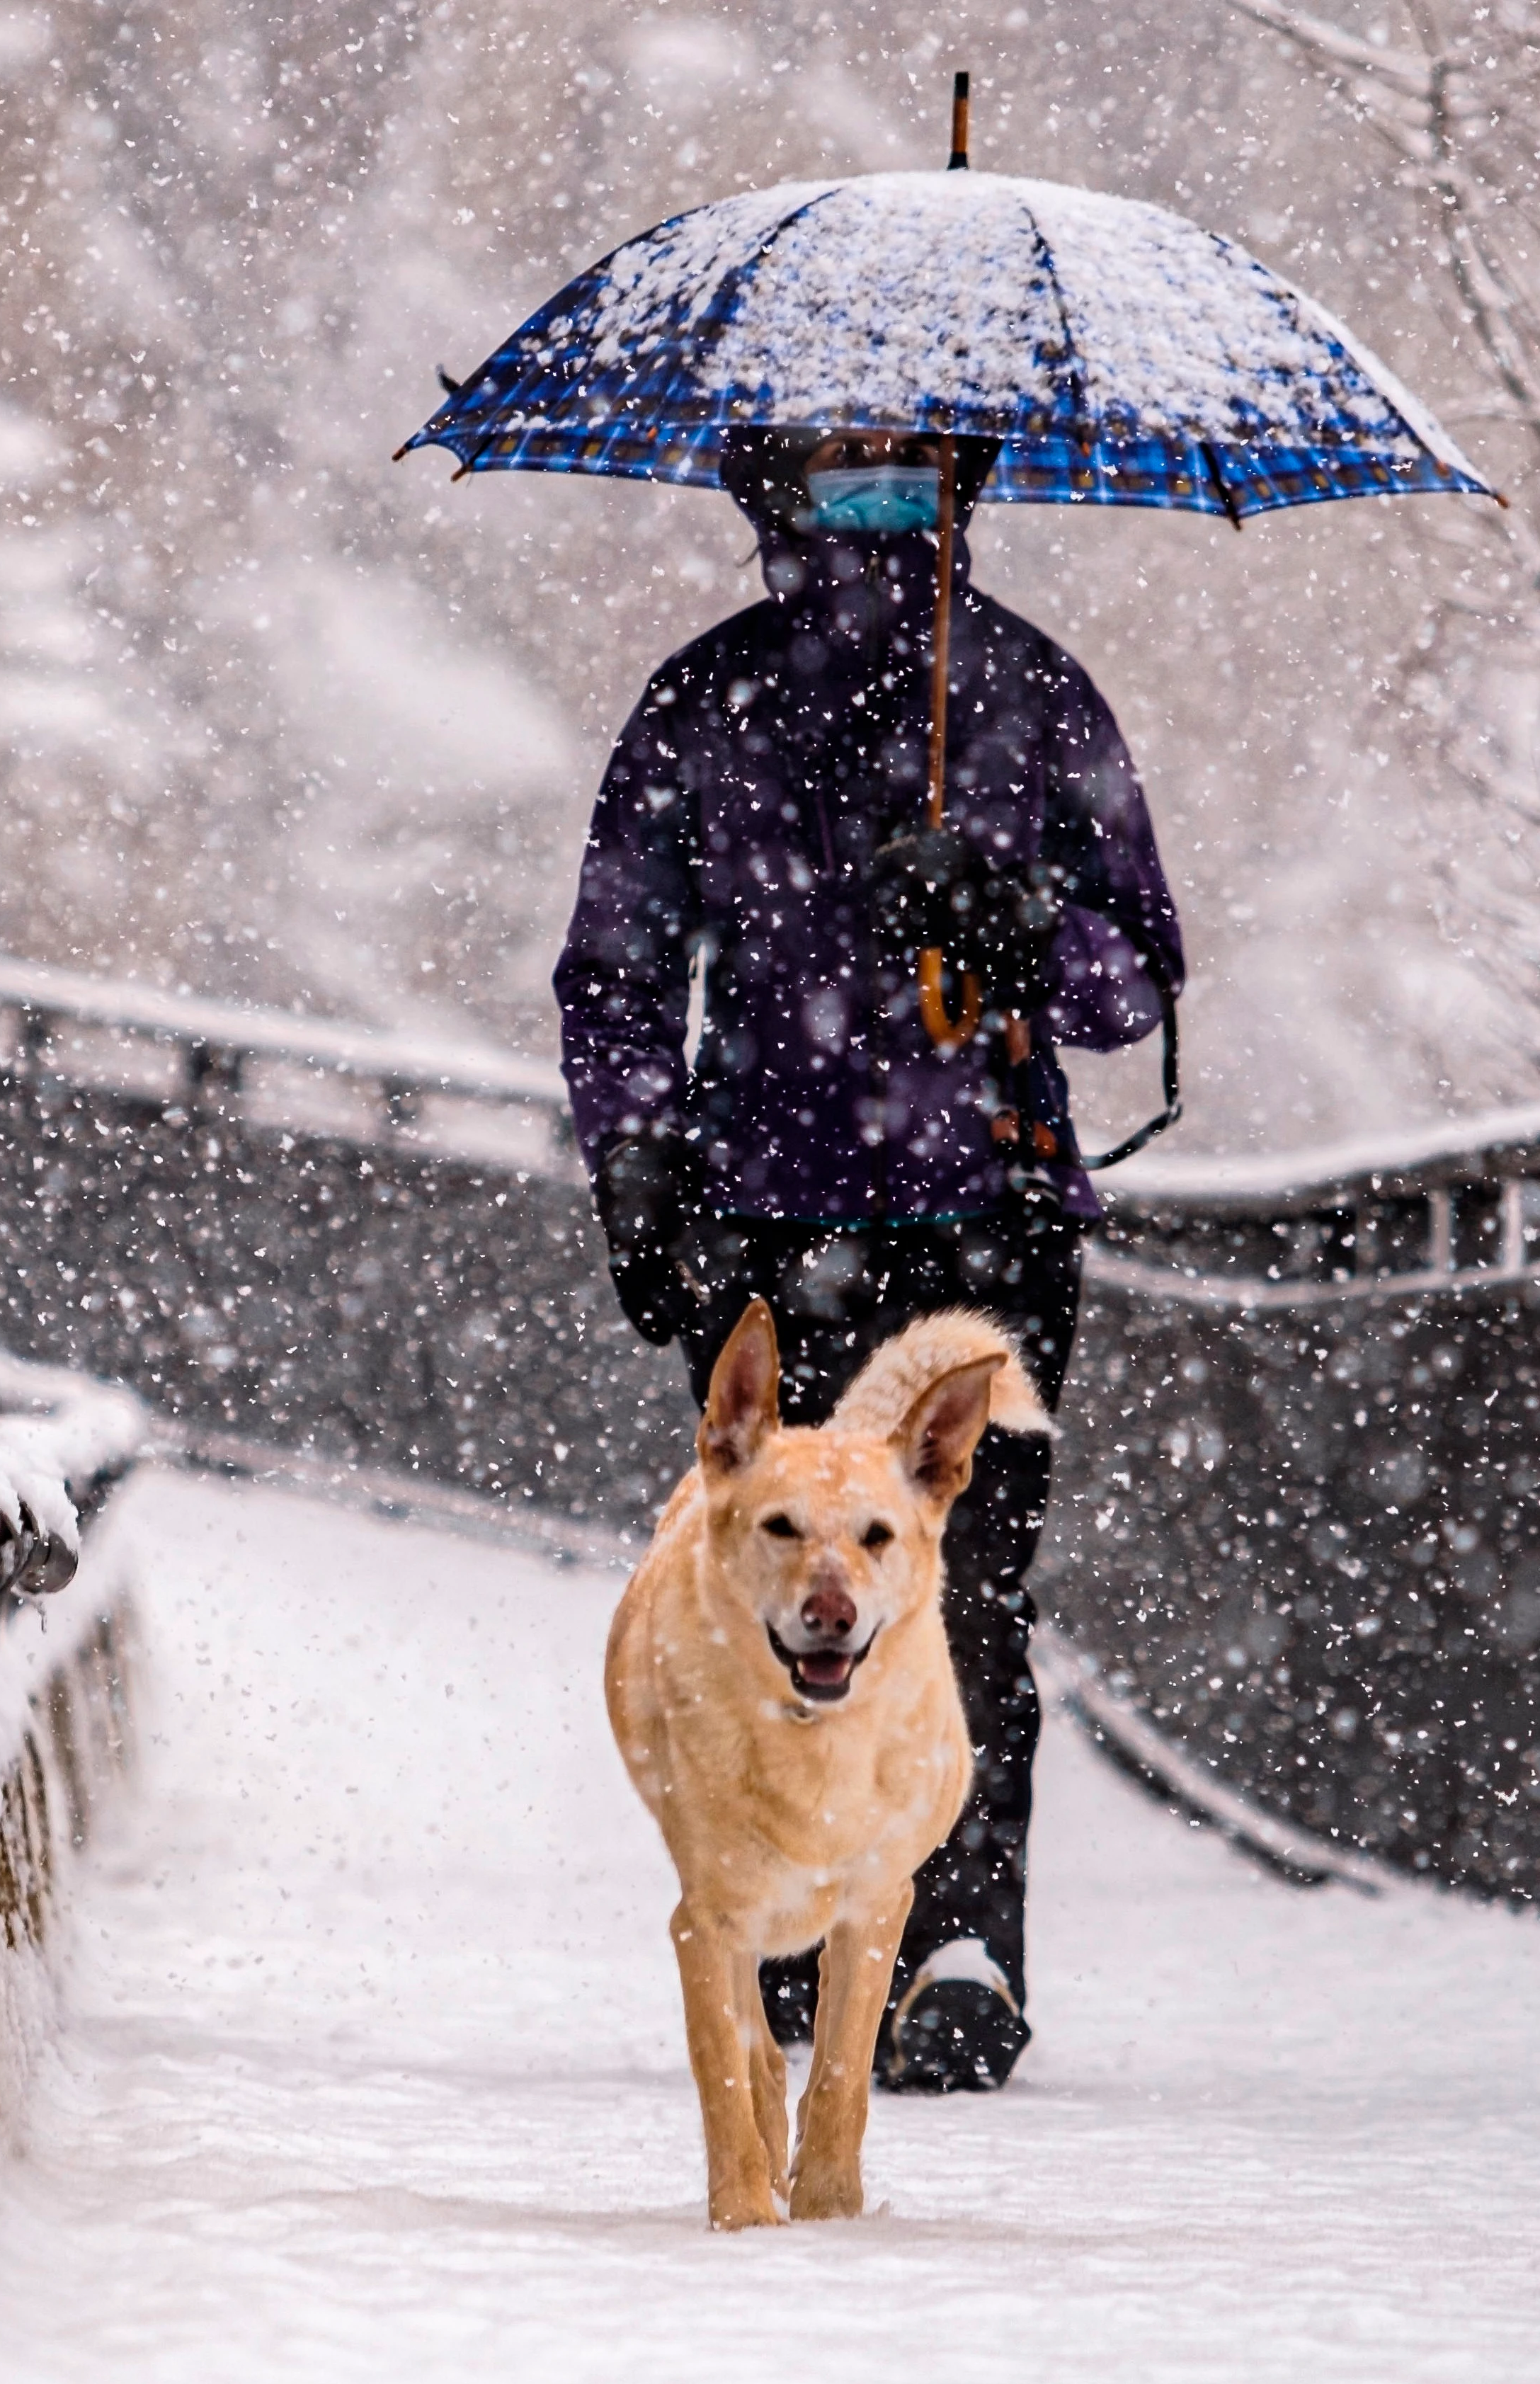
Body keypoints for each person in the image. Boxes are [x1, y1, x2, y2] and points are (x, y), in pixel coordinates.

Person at [553, 426, 1183, 2093]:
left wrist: (1016, 917)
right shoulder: (708, 705)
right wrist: (636, 1165)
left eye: (911, 460)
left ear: (964, 484)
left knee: (962, 1598)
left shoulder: (1035, 699)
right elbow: (613, 970)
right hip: (769, 1231)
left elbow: (1136, 990)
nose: (877, 488)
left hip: (992, 1229)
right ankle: (780, 1917)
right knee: (764, 1585)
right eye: (842, 459)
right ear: (771, 481)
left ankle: (951, 1951)